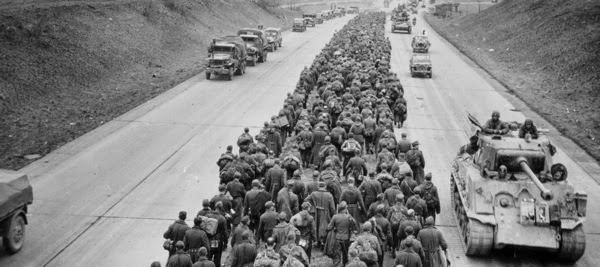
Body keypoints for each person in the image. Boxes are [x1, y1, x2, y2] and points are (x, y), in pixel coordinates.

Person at [304, 181, 336, 246]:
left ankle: (317, 241)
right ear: (325, 187)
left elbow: (306, 200)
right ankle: (323, 242)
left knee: (316, 226)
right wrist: (333, 215)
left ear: (318, 187)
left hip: (316, 212)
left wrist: (312, 207)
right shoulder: (329, 195)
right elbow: (332, 208)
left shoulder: (313, 194)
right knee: (324, 226)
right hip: (326, 213)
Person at [327, 202, 359, 267]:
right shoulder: (348, 216)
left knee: (337, 254)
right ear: (345, 208)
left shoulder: (335, 217)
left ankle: (336, 264)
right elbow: (354, 224)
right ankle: (345, 264)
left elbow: (329, 227)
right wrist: (349, 214)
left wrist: (335, 228)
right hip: (346, 238)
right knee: (345, 254)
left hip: (337, 238)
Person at [207, 202, 230, 267]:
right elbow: (225, 232)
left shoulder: (208, 216)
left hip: (208, 239)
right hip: (217, 240)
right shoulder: (222, 218)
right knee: (217, 257)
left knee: (209, 256)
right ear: (221, 208)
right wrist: (226, 242)